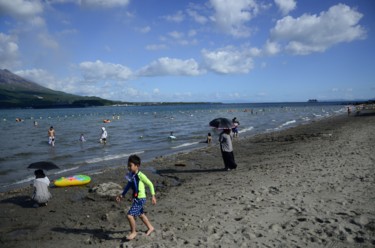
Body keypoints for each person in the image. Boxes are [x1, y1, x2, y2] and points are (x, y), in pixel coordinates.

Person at [116, 155, 157, 240]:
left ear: (137, 166)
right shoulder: (131, 175)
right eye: (128, 165)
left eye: (130, 165)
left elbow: (150, 184)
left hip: (141, 199)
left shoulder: (141, 175)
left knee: (130, 215)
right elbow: (128, 185)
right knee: (141, 215)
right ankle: (150, 227)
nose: (128, 167)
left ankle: (133, 232)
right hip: (136, 199)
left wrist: (153, 196)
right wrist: (122, 195)